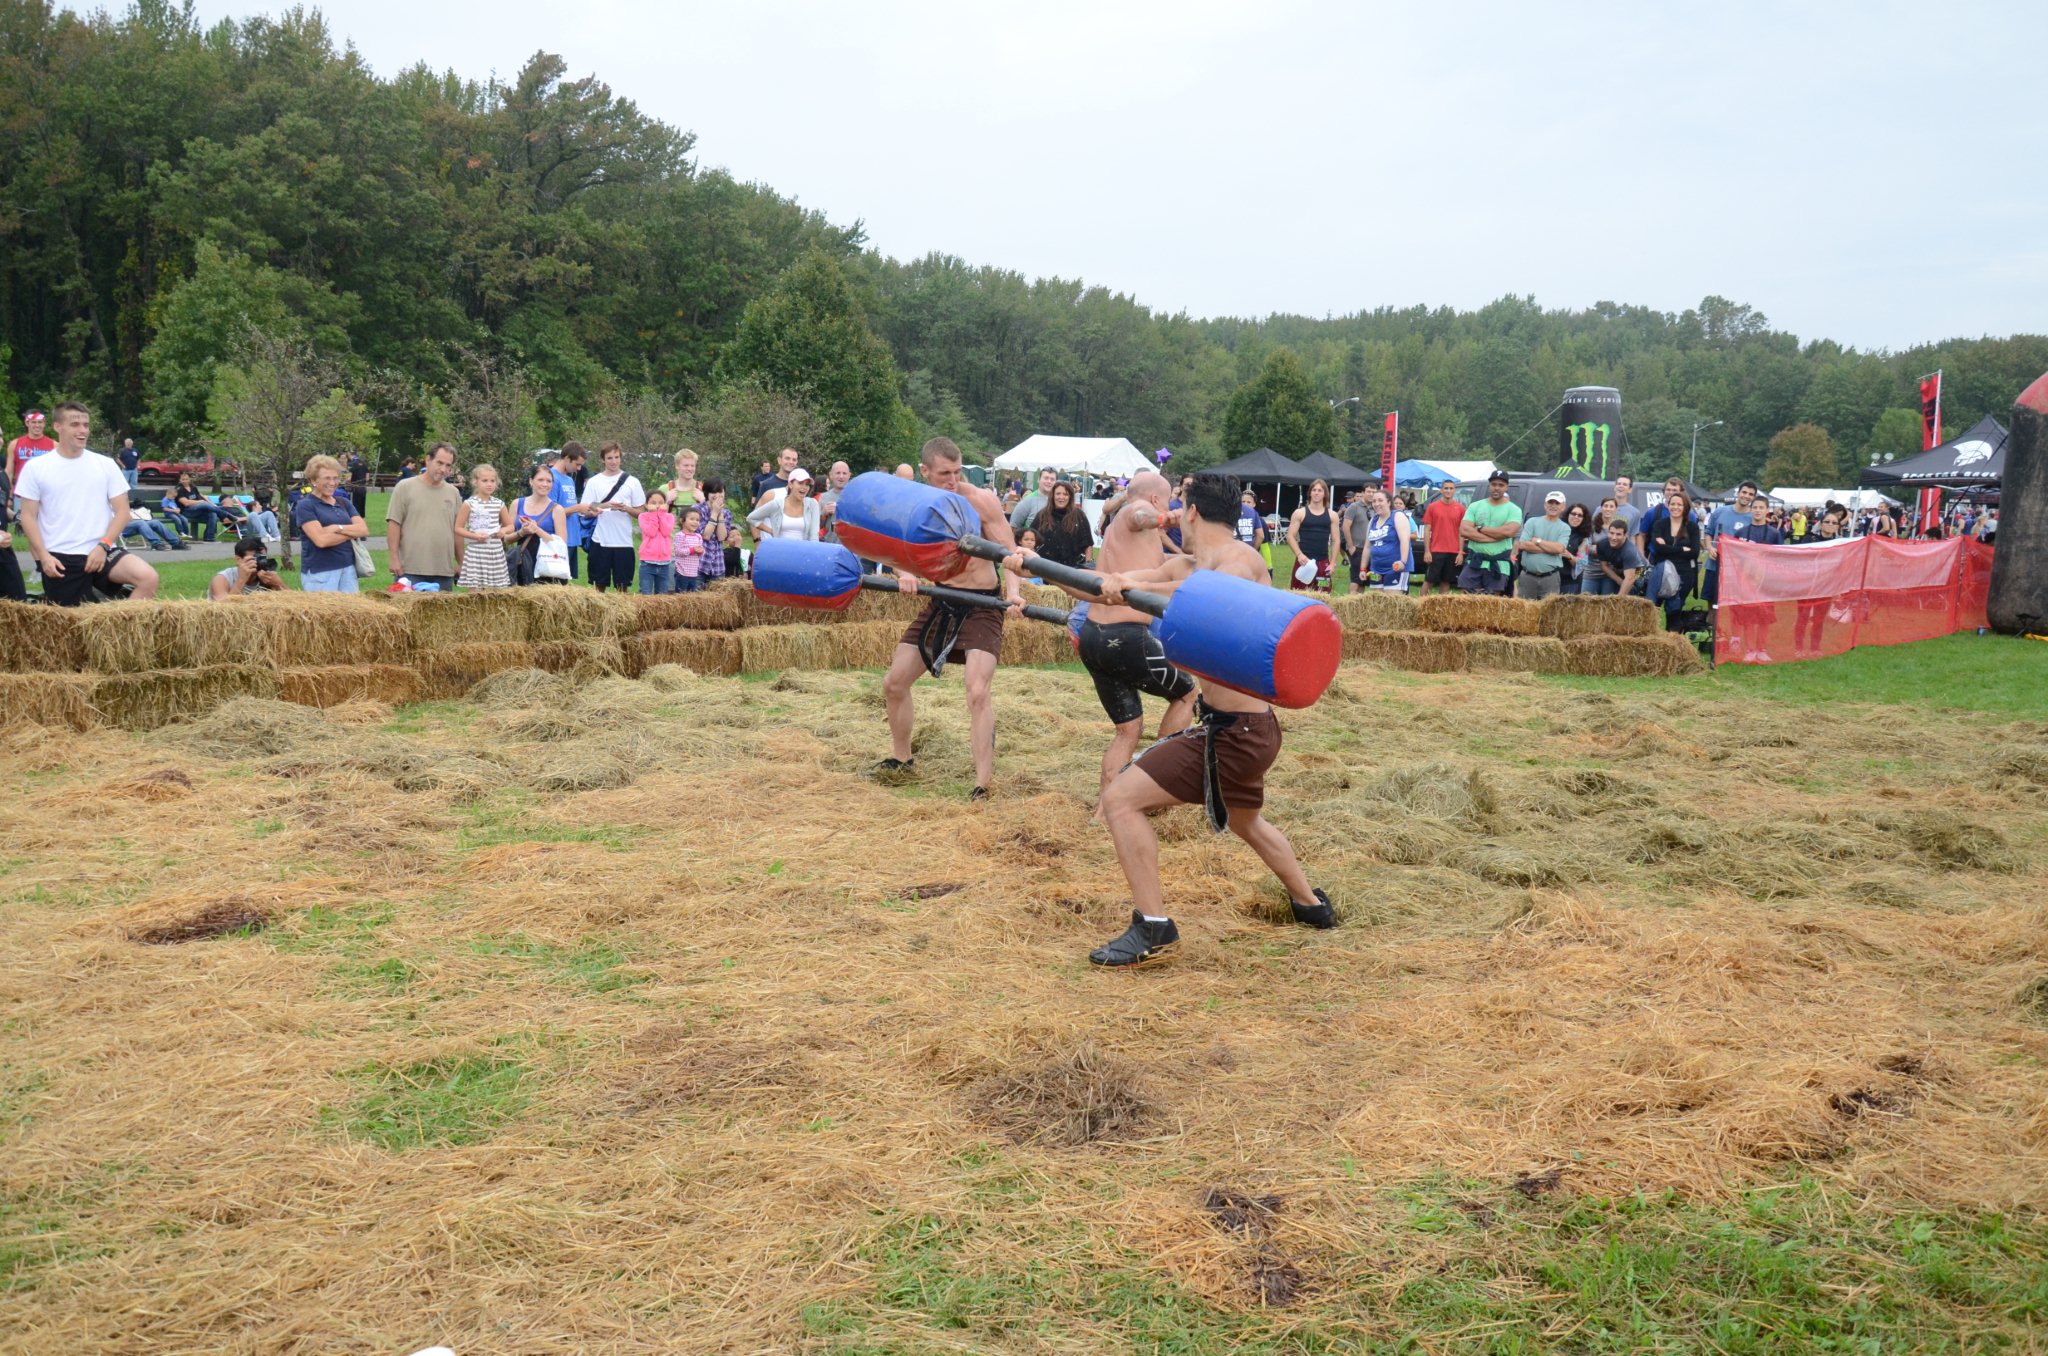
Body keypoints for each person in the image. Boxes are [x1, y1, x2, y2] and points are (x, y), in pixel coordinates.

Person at [1081, 472, 1334, 968]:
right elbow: (1168, 571)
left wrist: (1130, 586)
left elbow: (1199, 593)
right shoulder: (1204, 560)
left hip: (1237, 733)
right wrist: (1122, 581)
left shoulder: (1239, 563)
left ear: (1192, 512)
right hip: (1240, 729)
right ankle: (1311, 907)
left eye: (1181, 508)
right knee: (1246, 821)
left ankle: (1153, 926)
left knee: (1121, 800)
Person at [1021, 470, 1196, 806]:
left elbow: (1165, 570)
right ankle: (1157, 786)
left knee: (1127, 730)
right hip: (1125, 638)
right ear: (1158, 498)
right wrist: (1167, 517)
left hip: (1094, 639)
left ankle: (1106, 810)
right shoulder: (1137, 513)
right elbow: (1140, 513)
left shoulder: (1126, 538)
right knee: (1187, 694)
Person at [875, 438, 1024, 801]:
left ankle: (982, 784)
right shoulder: (916, 504)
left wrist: (1015, 592)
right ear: (925, 471)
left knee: (976, 691)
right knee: (894, 683)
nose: (952, 480)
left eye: (957, 472)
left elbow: (1010, 553)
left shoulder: (980, 501)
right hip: (942, 600)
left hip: (982, 605)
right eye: (944, 474)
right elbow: (891, 547)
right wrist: (901, 572)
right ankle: (902, 759)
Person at [14, 402, 160, 605]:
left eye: (86, 424)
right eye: (75, 424)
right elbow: (28, 517)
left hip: (102, 549)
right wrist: (43, 557)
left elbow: (122, 512)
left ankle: (118, 631)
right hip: (60, 556)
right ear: (58, 427)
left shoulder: (105, 464)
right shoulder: (36, 468)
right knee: (74, 623)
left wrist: (103, 545)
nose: (83, 430)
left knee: (148, 578)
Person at [386, 443, 463, 589]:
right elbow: (394, 524)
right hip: (410, 570)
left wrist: (461, 562)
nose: (443, 469)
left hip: (444, 571)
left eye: (448, 465)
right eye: (439, 463)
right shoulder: (405, 487)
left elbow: (457, 531)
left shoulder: (453, 493)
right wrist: (394, 558)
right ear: (428, 460)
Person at [576, 441, 648, 593]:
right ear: (603, 459)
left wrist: (626, 508)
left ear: (621, 458)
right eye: (609, 458)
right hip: (600, 540)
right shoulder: (594, 482)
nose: (613, 461)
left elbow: (641, 512)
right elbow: (585, 510)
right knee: (598, 586)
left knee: (622, 587)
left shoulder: (632, 482)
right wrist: (603, 506)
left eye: (616, 457)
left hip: (623, 542)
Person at [293, 454, 370, 593]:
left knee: (350, 613)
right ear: (313, 480)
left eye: (335, 478)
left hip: (348, 569)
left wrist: (336, 528)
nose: (332, 483)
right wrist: (350, 533)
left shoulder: (343, 502)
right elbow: (321, 541)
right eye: (327, 478)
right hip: (321, 573)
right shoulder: (306, 505)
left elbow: (363, 530)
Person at [1643, 489, 1701, 626]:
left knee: (1674, 612)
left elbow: (1694, 552)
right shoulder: (1660, 525)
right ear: (1668, 505)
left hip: (1684, 574)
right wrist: (1682, 549)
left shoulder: (1692, 527)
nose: (1675, 507)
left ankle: (1672, 640)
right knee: (1653, 608)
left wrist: (1667, 547)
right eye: (1672, 504)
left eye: (1679, 504)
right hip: (1661, 571)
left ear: (1685, 507)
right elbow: (1658, 549)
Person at [1457, 472, 1522, 594]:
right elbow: (1464, 530)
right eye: (1493, 484)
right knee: (1465, 600)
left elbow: (1509, 531)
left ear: (1506, 487)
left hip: (1498, 564)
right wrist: (1496, 537)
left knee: (1492, 604)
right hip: (1475, 562)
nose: (1496, 487)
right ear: (1489, 486)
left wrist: (1480, 528)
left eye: (1501, 485)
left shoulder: (1514, 510)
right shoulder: (1475, 506)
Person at [455, 464, 513, 591]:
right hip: (476, 552)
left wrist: (503, 531)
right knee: (475, 591)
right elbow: (458, 528)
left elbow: (510, 526)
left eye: (492, 481)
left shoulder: (499, 504)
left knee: (495, 590)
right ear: (475, 482)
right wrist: (475, 536)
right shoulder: (469, 504)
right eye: (485, 480)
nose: (489, 484)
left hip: (495, 552)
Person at [510, 464, 570, 586]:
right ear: (531, 481)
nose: (545, 484)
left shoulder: (557, 509)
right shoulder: (517, 504)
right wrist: (521, 532)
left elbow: (561, 543)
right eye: (540, 480)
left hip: (548, 566)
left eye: (549, 481)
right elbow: (506, 538)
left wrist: (537, 530)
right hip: (523, 563)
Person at [1701, 483, 1757, 608]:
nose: (1746, 496)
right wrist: (1710, 548)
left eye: (1750, 494)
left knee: (1733, 605)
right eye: (1744, 492)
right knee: (1711, 602)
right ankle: (1711, 626)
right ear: (1738, 493)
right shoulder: (1721, 511)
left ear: (1753, 497)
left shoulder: (1753, 517)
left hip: (1738, 569)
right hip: (1714, 566)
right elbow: (1708, 533)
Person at [1511, 491, 1574, 600]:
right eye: (1550, 502)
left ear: (1563, 507)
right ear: (1545, 505)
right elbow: (1522, 545)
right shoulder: (1532, 522)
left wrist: (1538, 541)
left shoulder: (1564, 527)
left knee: (1548, 613)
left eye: (1557, 503)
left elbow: (1559, 549)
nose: (1553, 506)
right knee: (1525, 612)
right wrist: (1550, 549)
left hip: (1550, 578)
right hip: (1527, 576)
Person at [1285, 478, 1336, 592]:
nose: (1316, 493)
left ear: (1325, 494)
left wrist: (1332, 563)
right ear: (1310, 493)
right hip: (1303, 562)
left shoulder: (1332, 515)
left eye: (1320, 490)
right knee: (1298, 595)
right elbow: (1290, 536)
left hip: (1323, 563)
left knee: (1324, 595)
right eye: (1314, 490)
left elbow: (1336, 540)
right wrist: (1299, 555)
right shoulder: (1300, 513)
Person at [1030, 479, 1093, 570]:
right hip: (1045, 569)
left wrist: (1088, 566)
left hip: (1073, 570)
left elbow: (1088, 544)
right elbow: (1031, 540)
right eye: (1058, 494)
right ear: (1053, 496)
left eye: (1065, 494)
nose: (1061, 497)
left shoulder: (1079, 516)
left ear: (1070, 497)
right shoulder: (1042, 515)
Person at [746, 466, 820, 543]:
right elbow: (751, 518)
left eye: (807, 484)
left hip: (803, 552)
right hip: (780, 550)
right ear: (790, 484)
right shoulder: (778, 504)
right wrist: (771, 531)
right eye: (800, 483)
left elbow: (814, 536)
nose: (804, 487)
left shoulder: (812, 504)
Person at [1361, 489, 1414, 593]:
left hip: (1395, 568)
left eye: (1380, 500)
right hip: (1376, 569)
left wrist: (1402, 561)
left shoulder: (1397, 516)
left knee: (1392, 604)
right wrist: (1363, 568)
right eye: (1374, 501)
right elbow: (1367, 547)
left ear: (1389, 502)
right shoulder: (1373, 520)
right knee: (1378, 604)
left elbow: (1405, 541)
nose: (1376, 504)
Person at [1419, 478, 1465, 596]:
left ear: (1455, 490)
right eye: (1446, 488)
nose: (1448, 491)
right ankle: (1421, 605)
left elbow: (1461, 532)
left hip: (1453, 551)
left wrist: (1460, 552)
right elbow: (1427, 529)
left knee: (1446, 582)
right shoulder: (1433, 507)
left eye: (1451, 488)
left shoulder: (1460, 508)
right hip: (1436, 550)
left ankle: (1441, 610)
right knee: (1429, 580)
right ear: (1441, 490)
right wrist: (1427, 551)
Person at [550, 444, 588, 579]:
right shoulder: (551, 478)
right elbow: (550, 512)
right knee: (555, 583)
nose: (578, 469)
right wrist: (578, 507)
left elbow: (568, 507)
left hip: (572, 537)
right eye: (577, 464)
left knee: (566, 582)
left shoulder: (569, 479)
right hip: (559, 539)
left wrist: (586, 511)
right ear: (567, 458)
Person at [1584, 517, 1646, 596]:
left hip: (1640, 571)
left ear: (1625, 535)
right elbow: (1604, 566)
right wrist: (1619, 581)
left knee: (1630, 596)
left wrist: (1618, 599)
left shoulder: (1629, 551)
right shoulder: (1602, 544)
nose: (1614, 537)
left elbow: (1630, 578)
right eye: (1612, 533)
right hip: (1622, 571)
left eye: (1618, 534)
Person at [208, 535, 284, 599]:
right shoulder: (222, 579)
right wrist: (241, 579)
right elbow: (221, 609)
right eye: (255, 558)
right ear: (238, 560)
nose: (260, 562)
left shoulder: (268, 578)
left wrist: (279, 584)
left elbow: (293, 605)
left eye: (263, 558)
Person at [636, 489, 678, 595]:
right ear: (646, 505)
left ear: (665, 504)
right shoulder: (643, 516)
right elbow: (651, 532)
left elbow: (665, 531)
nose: (657, 505)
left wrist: (662, 515)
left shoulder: (669, 517)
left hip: (664, 562)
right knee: (646, 593)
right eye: (653, 503)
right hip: (647, 561)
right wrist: (654, 515)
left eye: (660, 502)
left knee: (662, 594)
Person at [696, 479, 737, 584]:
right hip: (699, 565)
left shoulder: (726, 513)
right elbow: (706, 535)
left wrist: (720, 514)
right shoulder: (698, 510)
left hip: (717, 565)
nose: (718, 495)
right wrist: (714, 513)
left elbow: (722, 537)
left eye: (720, 492)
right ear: (707, 494)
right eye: (714, 492)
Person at [171, 472, 230, 542]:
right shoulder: (179, 489)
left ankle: (209, 538)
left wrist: (212, 504)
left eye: (187, 479)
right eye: (183, 479)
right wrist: (201, 502)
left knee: (213, 514)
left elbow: (201, 496)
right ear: (180, 480)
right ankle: (225, 515)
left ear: (189, 479)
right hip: (186, 512)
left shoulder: (193, 487)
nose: (185, 481)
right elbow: (186, 503)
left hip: (197, 511)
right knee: (204, 504)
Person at [1339, 486, 1376, 590]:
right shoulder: (1354, 507)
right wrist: (1351, 546)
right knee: (1356, 579)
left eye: (1374, 492)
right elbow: (1345, 527)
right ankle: (1351, 602)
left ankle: (1359, 604)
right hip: (1357, 548)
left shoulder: (1376, 508)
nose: (1371, 494)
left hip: (1372, 549)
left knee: (1363, 580)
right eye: (1369, 491)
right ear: (1363, 493)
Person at [8, 409, 54, 485]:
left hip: (45, 493)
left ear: (44, 423)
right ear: (27, 423)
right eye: (33, 422)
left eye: (40, 422)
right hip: (21, 493)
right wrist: (8, 494)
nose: (37, 425)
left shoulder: (54, 445)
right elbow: (9, 472)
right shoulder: (14, 444)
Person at [1009, 468, 1059, 536]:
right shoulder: (1028, 500)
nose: (1049, 481)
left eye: (1052, 479)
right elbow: (1013, 527)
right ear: (1038, 479)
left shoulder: (1059, 501)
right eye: (1046, 478)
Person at [656, 448, 702, 516]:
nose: (690, 469)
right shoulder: (664, 490)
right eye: (686, 465)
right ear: (677, 466)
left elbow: (715, 519)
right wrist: (666, 502)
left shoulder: (704, 490)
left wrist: (703, 502)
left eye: (692, 465)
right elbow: (654, 519)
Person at [1560, 502, 1593, 594]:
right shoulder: (1558, 530)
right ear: (1568, 515)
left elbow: (1581, 564)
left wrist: (1569, 555)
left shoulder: (1584, 538)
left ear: (1584, 519)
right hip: (1552, 579)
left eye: (1580, 515)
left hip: (1570, 583)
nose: (1576, 517)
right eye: (1573, 514)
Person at [816, 461, 852, 545]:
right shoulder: (823, 497)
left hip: (852, 549)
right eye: (838, 473)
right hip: (830, 547)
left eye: (844, 473)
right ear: (831, 475)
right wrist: (823, 514)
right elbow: (816, 527)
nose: (841, 476)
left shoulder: (856, 497)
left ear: (849, 475)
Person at [673, 505, 708, 592]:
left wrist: (701, 551)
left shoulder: (698, 536)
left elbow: (701, 552)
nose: (695, 522)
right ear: (682, 521)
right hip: (682, 572)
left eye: (697, 520)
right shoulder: (680, 535)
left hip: (693, 572)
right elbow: (678, 552)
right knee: (682, 594)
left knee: (692, 595)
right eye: (692, 519)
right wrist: (692, 550)